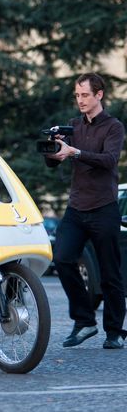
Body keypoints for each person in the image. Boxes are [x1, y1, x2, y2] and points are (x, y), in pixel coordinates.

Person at [45, 72, 127, 349]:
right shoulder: (72, 126)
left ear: (99, 95)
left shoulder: (114, 127)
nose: (80, 100)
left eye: (85, 95)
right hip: (77, 208)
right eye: (77, 95)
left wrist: (75, 152)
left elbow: (109, 160)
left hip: (104, 208)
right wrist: (54, 152)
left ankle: (114, 332)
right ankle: (85, 321)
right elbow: (54, 163)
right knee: (63, 259)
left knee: (110, 274)